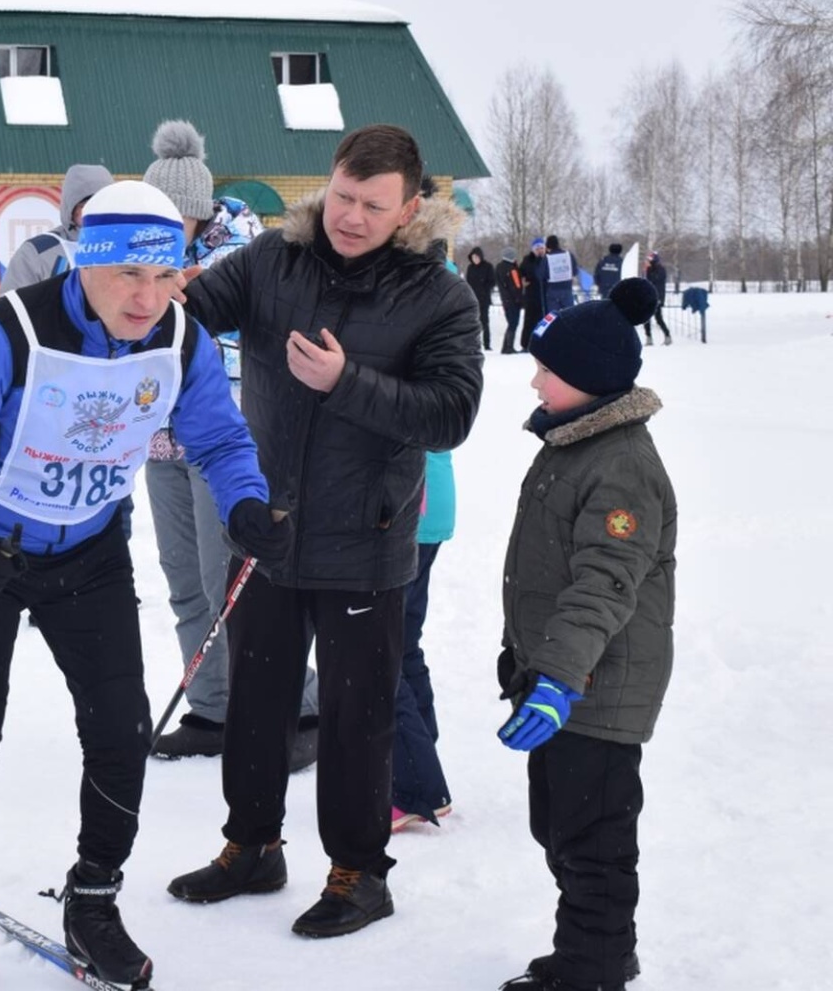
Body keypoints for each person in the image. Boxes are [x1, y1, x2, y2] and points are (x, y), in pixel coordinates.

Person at [0, 180, 286, 990]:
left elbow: (220, 435)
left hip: (90, 555)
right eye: (129, 274)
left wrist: (244, 504)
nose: (148, 297)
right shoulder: (5, 335)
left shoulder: (180, 341)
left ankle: (94, 894)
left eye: (166, 276)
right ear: (86, 261)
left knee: (120, 728)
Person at [165, 124, 483, 941]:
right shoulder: (275, 259)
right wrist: (158, 294)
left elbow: (452, 414)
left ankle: (358, 872)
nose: (350, 216)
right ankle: (252, 844)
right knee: (256, 701)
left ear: (410, 206)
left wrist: (349, 382)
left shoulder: (437, 295)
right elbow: (193, 310)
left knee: (354, 717)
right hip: (267, 529)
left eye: (373, 205)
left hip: (367, 539)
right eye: (343, 195)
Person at [496, 277, 675, 991]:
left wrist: (561, 679)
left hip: (597, 689)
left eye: (549, 368)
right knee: (561, 826)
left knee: (593, 836)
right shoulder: (575, 440)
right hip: (564, 680)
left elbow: (604, 581)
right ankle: (597, 947)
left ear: (592, 381)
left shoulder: (621, 465)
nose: (534, 377)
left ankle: (594, 967)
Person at [137, 118, 321, 768]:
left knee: (239, 582)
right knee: (185, 580)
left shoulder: (246, 256)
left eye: (173, 221)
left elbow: (258, 347)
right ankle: (212, 706)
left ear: (195, 210)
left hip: (226, 441)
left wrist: (192, 306)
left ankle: (302, 706)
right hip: (161, 442)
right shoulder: (149, 260)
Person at [390, 450, 454, 831]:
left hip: (407, 510)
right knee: (402, 644)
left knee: (382, 653)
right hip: (425, 504)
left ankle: (414, 786)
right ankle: (418, 756)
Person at [0, 163, 115, 292]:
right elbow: (10, 305)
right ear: (71, 208)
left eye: (102, 205)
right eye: (86, 206)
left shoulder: (127, 247)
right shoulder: (39, 252)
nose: (94, 213)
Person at [464, 246, 496, 351]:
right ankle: (473, 343)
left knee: (485, 321)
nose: (475, 259)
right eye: (473, 257)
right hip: (472, 298)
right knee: (473, 321)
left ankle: (487, 344)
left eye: (477, 257)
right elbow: (468, 282)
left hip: (484, 298)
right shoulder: (470, 268)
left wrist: (484, 289)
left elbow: (492, 281)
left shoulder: (488, 266)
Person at [519, 238, 548, 349]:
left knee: (544, 321)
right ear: (533, 250)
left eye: (542, 248)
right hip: (531, 295)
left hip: (545, 295)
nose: (540, 251)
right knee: (529, 321)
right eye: (538, 249)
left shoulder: (547, 259)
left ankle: (542, 343)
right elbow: (522, 273)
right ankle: (526, 344)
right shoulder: (527, 260)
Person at [496, 247, 524, 354]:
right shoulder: (512, 269)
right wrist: (519, 299)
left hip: (505, 300)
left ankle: (505, 346)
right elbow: (516, 285)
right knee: (513, 323)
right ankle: (509, 347)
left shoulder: (499, 267)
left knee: (510, 323)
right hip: (513, 300)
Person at [539, 234, 577, 314]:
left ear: (548, 246)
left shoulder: (547, 258)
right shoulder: (569, 255)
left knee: (553, 317)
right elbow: (575, 271)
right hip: (567, 289)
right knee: (569, 315)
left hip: (552, 290)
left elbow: (541, 274)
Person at [643, 252, 672, 346]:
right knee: (646, 318)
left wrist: (648, 271)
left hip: (656, 297)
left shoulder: (660, 270)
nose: (647, 261)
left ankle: (667, 336)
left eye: (649, 260)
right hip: (649, 297)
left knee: (658, 318)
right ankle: (649, 338)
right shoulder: (650, 269)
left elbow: (654, 281)